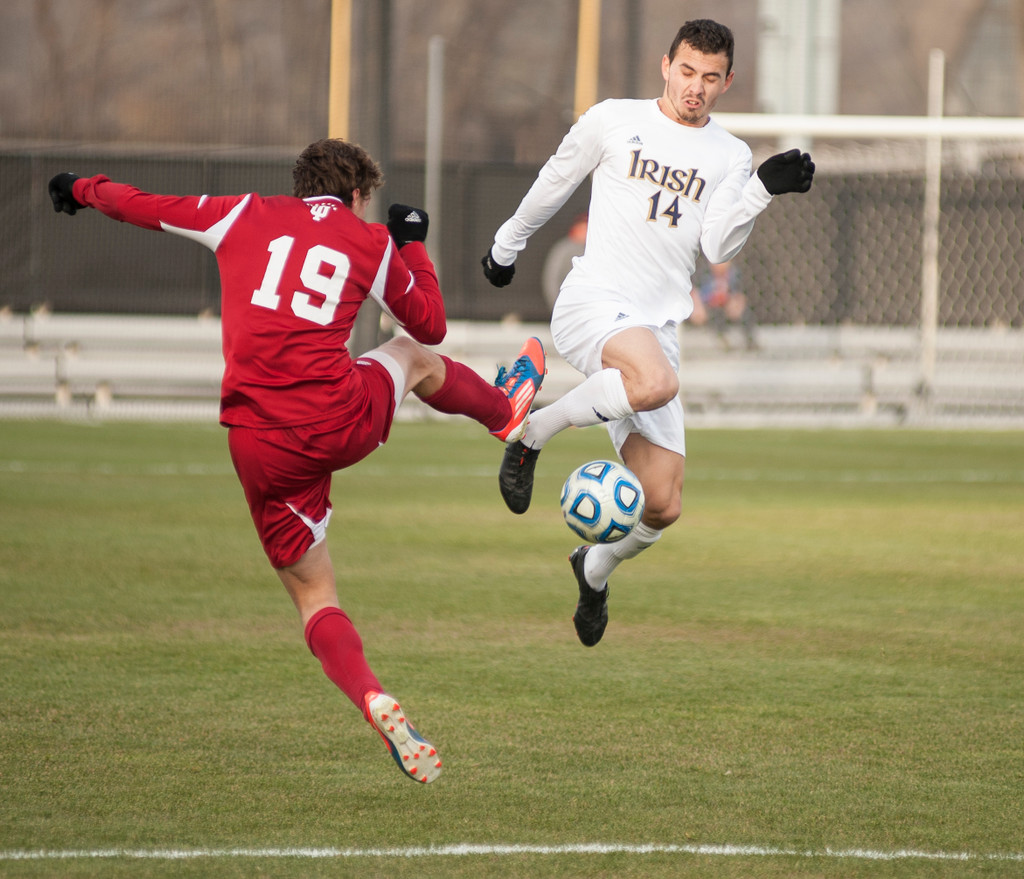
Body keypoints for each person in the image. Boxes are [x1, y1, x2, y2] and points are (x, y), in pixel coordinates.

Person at [48, 138, 546, 784]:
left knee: (314, 595)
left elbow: (143, 205)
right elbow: (431, 325)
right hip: (337, 418)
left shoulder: (242, 212)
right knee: (415, 358)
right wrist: (410, 243)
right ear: (358, 194)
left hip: (257, 442)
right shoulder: (367, 242)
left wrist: (79, 187)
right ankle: (503, 412)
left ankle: (370, 692)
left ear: (300, 184)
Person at [480, 19, 813, 647]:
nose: (696, 87)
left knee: (661, 504)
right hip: (592, 301)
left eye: (710, 78)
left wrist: (762, 190)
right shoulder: (613, 119)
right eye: (687, 72)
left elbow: (717, 245)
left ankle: (594, 571)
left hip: (655, 325)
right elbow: (556, 178)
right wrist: (506, 243)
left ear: (727, 82)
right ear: (666, 66)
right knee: (656, 380)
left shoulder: (731, 155)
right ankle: (532, 432)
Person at [690, 260, 758, 351]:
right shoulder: (703, 274)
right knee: (716, 315)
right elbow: (695, 292)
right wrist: (697, 307)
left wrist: (736, 304)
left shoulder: (734, 274)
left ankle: (750, 340)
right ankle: (722, 339)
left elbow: (739, 293)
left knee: (747, 314)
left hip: (727, 303)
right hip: (710, 304)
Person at [541, 213, 588, 313]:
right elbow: (552, 279)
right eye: (582, 227)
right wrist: (557, 307)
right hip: (567, 308)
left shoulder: (595, 250)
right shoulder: (564, 250)